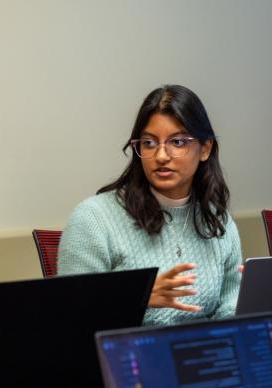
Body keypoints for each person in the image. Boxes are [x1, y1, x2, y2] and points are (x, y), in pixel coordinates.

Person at [58, 84, 242, 326]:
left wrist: (262, 297)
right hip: (125, 359)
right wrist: (135, 297)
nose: (161, 156)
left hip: (202, 356)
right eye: (149, 143)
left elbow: (230, 308)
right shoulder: (94, 218)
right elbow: (71, 318)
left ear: (205, 149)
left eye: (177, 142)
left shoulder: (218, 221)